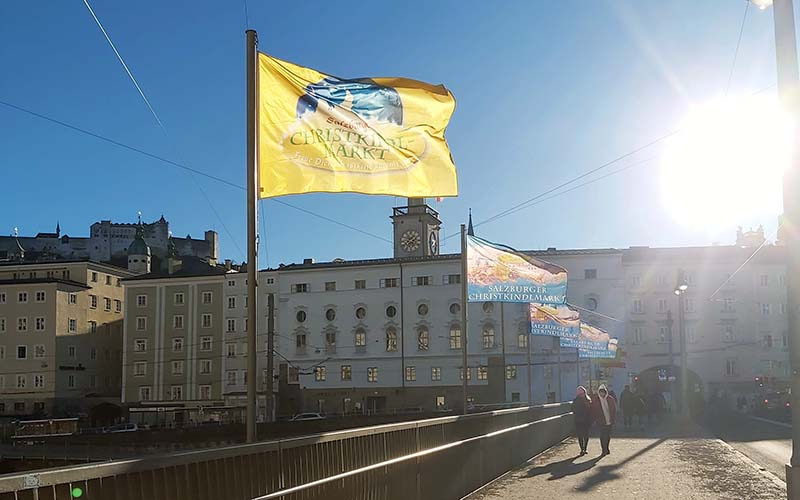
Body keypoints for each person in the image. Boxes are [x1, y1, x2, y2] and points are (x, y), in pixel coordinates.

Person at [592, 384, 617, 455]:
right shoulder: (596, 400)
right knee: (602, 435)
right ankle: (603, 449)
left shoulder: (610, 399)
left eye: (603, 392)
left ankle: (607, 447)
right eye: (601, 392)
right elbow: (593, 410)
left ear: (606, 392)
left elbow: (614, 409)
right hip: (601, 421)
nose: (602, 394)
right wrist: (595, 419)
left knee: (608, 435)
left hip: (609, 420)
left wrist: (613, 418)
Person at [572, 386, 593, 455]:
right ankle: (582, 449)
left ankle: (584, 448)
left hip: (583, 420)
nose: (582, 394)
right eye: (580, 393)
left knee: (584, 435)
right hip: (581, 421)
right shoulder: (585, 400)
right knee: (582, 435)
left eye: (583, 393)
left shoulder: (587, 399)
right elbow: (573, 409)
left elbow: (573, 410)